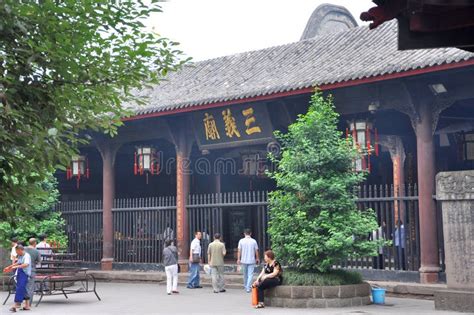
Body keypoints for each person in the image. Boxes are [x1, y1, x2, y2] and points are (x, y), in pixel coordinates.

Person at [9, 245, 32, 312]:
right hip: (20, 272)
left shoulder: (26, 256)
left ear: (20, 250)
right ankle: (27, 306)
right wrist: (10, 266)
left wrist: (16, 267)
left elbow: (26, 264)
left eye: (17, 251)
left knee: (20, 287)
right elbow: (18, 262)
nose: (16, 253)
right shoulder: (20, 255)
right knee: (23, 288)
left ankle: (17, 304)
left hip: (24, 273)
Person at [237, 229, 259, 293]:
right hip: (251, 260)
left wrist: (238, 259)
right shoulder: (253, 241)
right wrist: (257, 258)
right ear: (250, 233)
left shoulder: (241, 241)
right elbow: (256, 250)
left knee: (245, 274)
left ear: (244, 233)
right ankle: (248, 287)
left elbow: (239, 250)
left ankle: (246, 286)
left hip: (243, 260)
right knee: (250, 274)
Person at [24, 238, 41, 308]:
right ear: (35, 243)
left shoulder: (24, 249)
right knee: (30, 287)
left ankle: (21, 302)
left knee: (24, 286)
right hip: (32, 270)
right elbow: (39, 261)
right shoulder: (36, 251)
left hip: (23, 269)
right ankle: (28, 304)